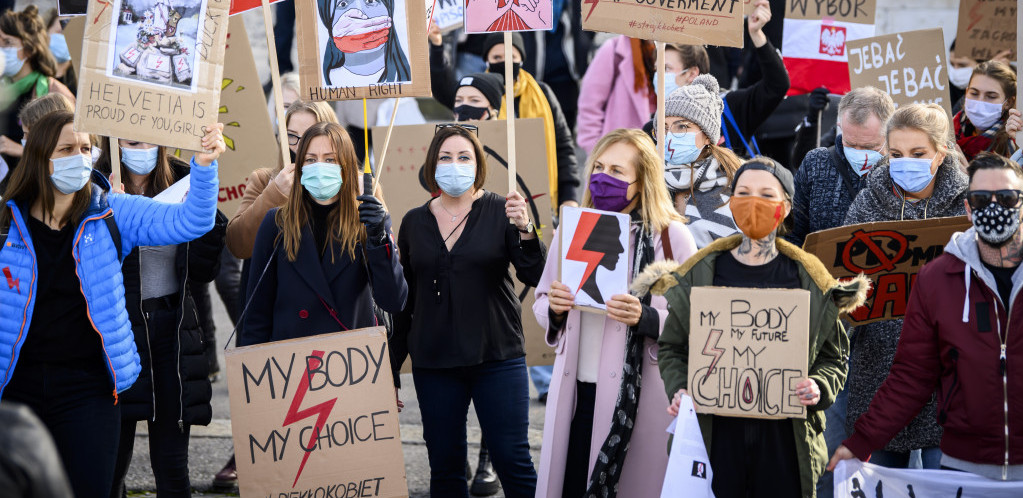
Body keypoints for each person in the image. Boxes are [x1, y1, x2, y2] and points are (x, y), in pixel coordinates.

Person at [0, 111, 223, 497]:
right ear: (38, 157)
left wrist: (203, 166)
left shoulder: (111, 211)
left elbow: (193, 221)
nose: (80, 157)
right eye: (66, 149)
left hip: (90, 391)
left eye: (85, 148)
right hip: (15, 388)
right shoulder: (5, 221)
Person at [652, 157, 867, 497]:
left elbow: (835, 360)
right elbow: (673, 348)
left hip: (785, 443)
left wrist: (818, 387)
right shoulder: (702, 271)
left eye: (766, 195)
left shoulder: (809, 277)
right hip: (716, 438)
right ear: (731, 202)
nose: (754, 202)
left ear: (785, 207)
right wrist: (679, 389)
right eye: (743, 193)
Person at [830, 152, 1023, 481]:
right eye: (980, 198)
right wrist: (862, 441)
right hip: (963, 469)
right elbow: (911, 376)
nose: (994, 207)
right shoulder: (937, 279)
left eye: (1006, 197)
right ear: (967, 208)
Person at [533, 129, 697, 497]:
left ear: (643, 182)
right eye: (600, 167)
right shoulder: (571, 231)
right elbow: (541, 303)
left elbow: (694, 321)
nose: (604, 178)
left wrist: (645, 317)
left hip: (638, 399)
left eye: (618, 171)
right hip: (576, 393)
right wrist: (555, 310)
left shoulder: (669, 237)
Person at [392, 124, 545, 497]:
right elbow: (402, 303)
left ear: (478, 165)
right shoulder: (413, 221)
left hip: (496, 356)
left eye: (464, 157)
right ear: (432, 164)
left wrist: (525, 228)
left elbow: (535, 272)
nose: (454, 164)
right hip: (435, 364)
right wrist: (392, 369)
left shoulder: (503, 211)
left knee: (513, 460)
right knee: (445, 470)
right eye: (446, 157)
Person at [214, 100, 340, 491]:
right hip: (278, 332)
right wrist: (272, 195)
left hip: (335, 339)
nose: (302, 148)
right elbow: (236, 244)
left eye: (311, 136)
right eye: (293, 138)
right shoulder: (265, 178)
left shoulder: (354, 182)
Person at [94, 140, 226, 498]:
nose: (141, 148)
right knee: (109, 467)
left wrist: (204, 220)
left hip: (171, 332)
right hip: (116, 335)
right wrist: (104, 214)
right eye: (131, 141)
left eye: (148, 139)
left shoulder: (188, 177)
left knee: (172, 466)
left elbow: (203, 270)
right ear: (113, 140)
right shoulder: (93, 185)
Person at [842, 103, 969, 470]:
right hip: (878, 372)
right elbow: (847, 283)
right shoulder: (868, 201)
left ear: (940, 152)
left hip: (947, 378)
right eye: (896, 154)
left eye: (917, 154)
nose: (905, 163)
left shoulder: (965, 207)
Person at [240, 121, 407, 347]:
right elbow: (256, 312)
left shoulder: (368, 221)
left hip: (353, 362)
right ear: (299, 166)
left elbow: (394, 300)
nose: (320, 167)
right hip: (292, 364)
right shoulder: (276, 222)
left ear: (346, 166)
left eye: (330, 159)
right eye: (311, 159)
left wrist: (378, 237)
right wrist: (252, 369)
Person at [430, 31, 580, 208]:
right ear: (487, 60)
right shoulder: (476, 93)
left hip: (540, 199)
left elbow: (562, 147)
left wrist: (569, 196)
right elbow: (443, 87)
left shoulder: (542, 94)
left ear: (521, 60)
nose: (505, 62)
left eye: (511, 56)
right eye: (497, 57)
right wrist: (438, 47)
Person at [787, 86, 895, 247]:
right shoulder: (816, 163)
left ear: (890, 133)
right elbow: (792, 233)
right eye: (850, 144)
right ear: (840, 126)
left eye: (869, 147)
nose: (858, 152)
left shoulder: (904, 169)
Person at [661, 74, 742, 248]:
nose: (670, 136)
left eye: (682, 126)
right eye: (664, 128)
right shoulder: (651, 180)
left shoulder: (735, 185)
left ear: (706, 136)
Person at [0, 6, 75, 165]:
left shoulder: (55, 93)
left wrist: (22, 151)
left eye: (7, 43)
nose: (2, 49)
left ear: (28, 49)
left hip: (33, 186)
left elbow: (71, 155)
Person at [575, 36, 658, 154]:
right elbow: (590, 105)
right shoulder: (614, 50)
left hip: (656, 155)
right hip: (618, 153)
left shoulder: (674, 49)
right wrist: (598, 152)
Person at [316, 0, 410, 84]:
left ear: (389, 7)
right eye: (343, 4)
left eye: (370, 1)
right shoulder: (329, 81)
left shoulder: (404, 79)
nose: (361, 15)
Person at [0, 92, 72, 192]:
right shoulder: (32, 170)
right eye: (24, 134)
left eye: (28, 135)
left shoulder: (66, 176)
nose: (24, 140)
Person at [954, 61, 1020, 162]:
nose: (980, 101)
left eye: (991, 96)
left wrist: (970, 176)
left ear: (1008, 102)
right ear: (966, 92)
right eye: (974, 93)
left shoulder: (1014, 141)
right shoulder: (951, 127)